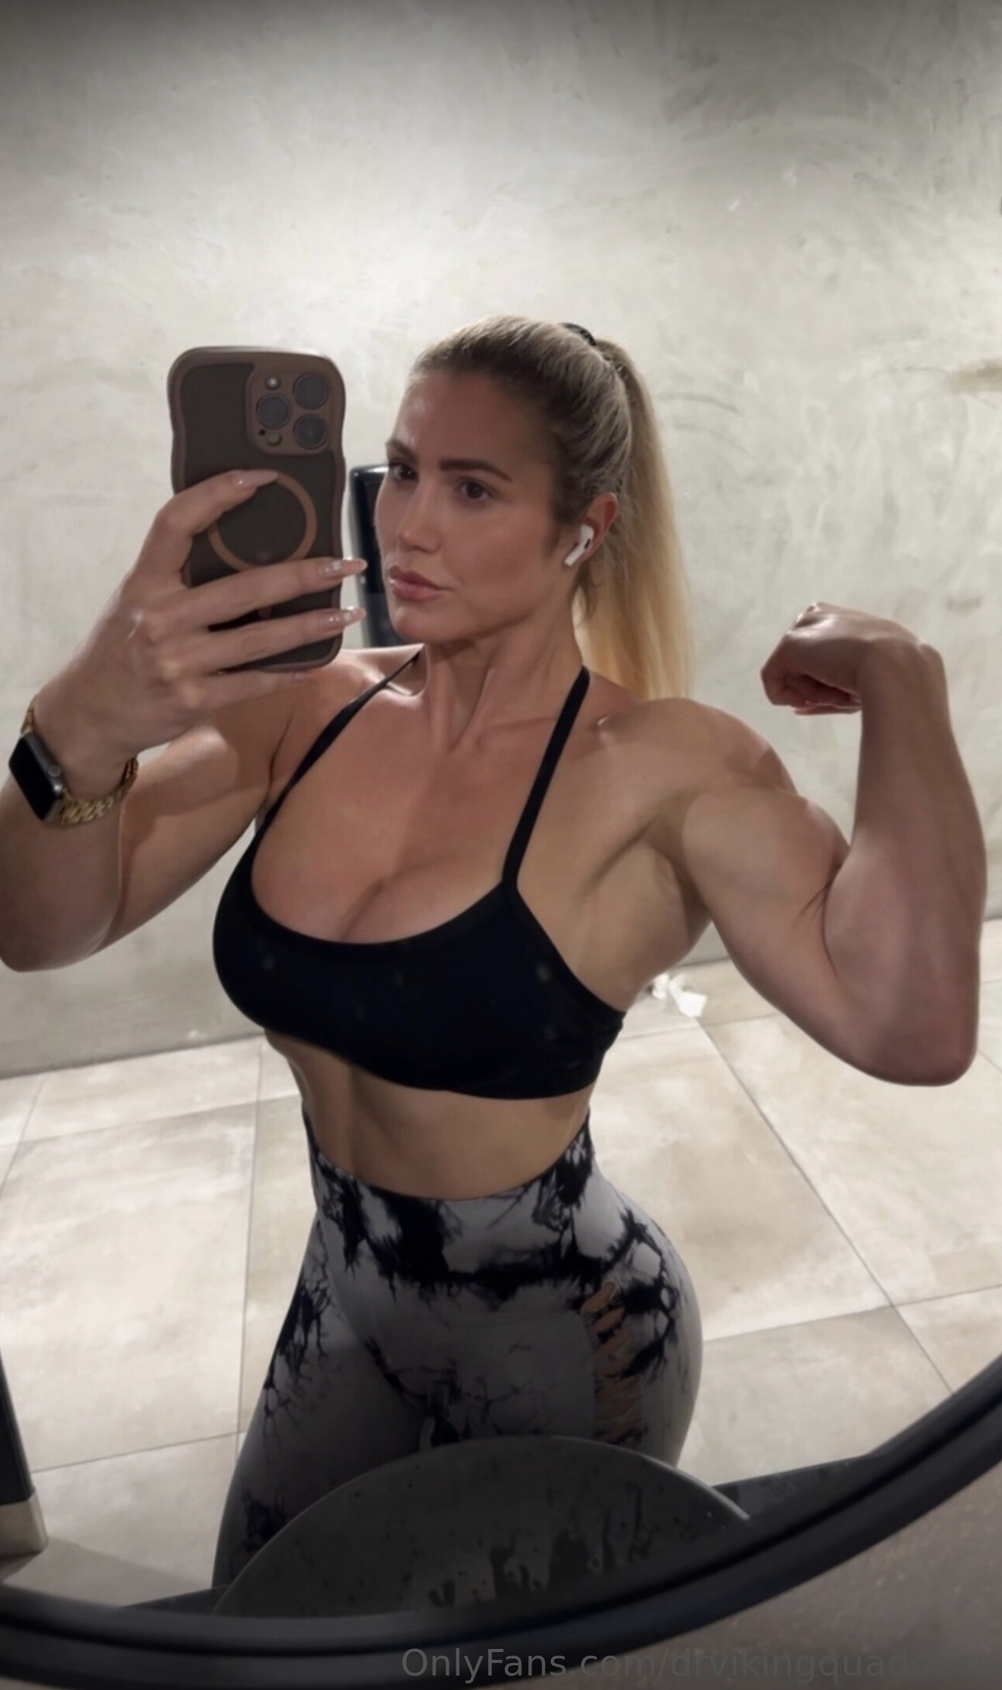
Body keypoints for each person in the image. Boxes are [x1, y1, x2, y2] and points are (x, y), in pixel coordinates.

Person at [1, 316, 704, 1588]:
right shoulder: (308, 710)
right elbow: (40, 931)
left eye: (472, 488)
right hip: (349, 1282)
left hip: (573, 1324)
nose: (408, 525)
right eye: (402, 470)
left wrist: (900, 693)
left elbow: (910, 1025)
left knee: (505, 1664)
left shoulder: (650, 769)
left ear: (583, 528)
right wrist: (78, 727)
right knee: (257, 1623)